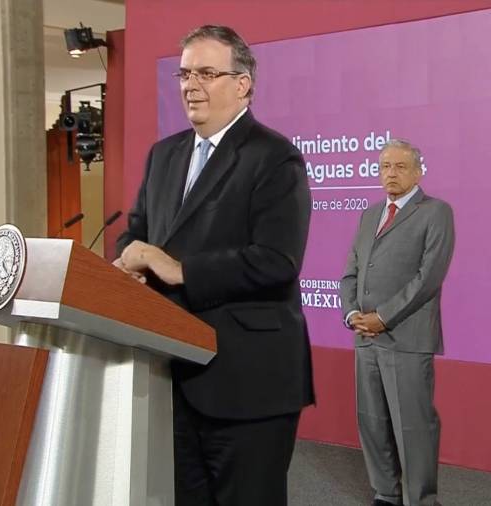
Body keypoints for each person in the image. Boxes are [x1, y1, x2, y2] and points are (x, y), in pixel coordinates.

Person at [114, 25, 314, 506]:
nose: (191, 85)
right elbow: (136, 232)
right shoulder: (164, 155)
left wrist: (180, 270)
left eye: (206, 73)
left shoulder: (274, 157)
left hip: (247, 381)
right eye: (185, 74)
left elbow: (277, 261)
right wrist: (129, 258)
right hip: (171, 374)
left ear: (242, 84)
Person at [339, 139, 454, 506]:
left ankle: (421, 499)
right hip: (365, 338)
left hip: (407, 338)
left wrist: (383, 317)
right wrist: (352, 314)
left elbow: (428, 278)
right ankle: (385, 493)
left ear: (418, 172)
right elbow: (351, 271)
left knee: (413, 426)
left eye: (400, 166)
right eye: (385, 166)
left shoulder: (436, 212)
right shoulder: (369, 214)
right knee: (372, 420)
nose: (391, 173)